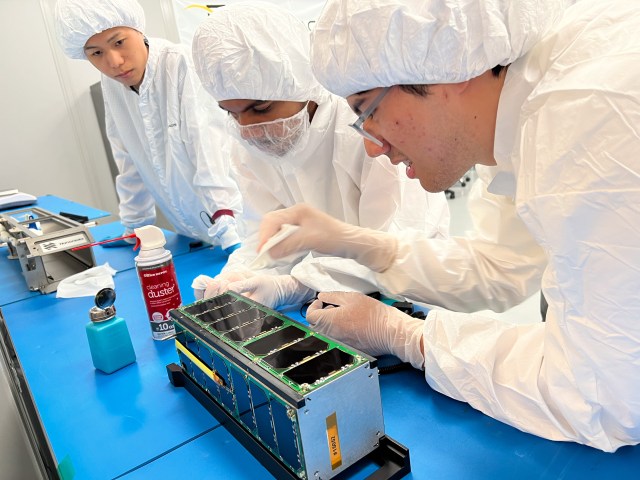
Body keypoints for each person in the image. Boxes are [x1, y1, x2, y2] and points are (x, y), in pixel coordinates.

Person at [257, 0, 640, 452]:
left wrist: (409, 336)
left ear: (441, 65)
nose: (374, 146)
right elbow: (501, 264)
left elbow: (605, 398)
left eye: (368, 110)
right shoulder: (520, 108)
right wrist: (357, 244)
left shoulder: (581, 121)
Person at [189, 1, 450, 309]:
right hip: (322, 304)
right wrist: (241, 273)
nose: (249, 128)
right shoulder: (250, 143)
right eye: (231, 113)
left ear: (298, 82)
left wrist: (296, 285)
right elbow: (266, 233)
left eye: (260, 108)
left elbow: (396, 244)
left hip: (408, 301)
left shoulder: (366, 129)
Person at [54, 0, 243, 252]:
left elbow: (208, 147)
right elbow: (127, 155)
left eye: (118, 42)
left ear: (138, 29)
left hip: (236, 222)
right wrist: (136, 224)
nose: (114, 62)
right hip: (191, 232)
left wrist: (227, 224)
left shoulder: (180, 63)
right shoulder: (112, 85)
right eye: (96, 53)